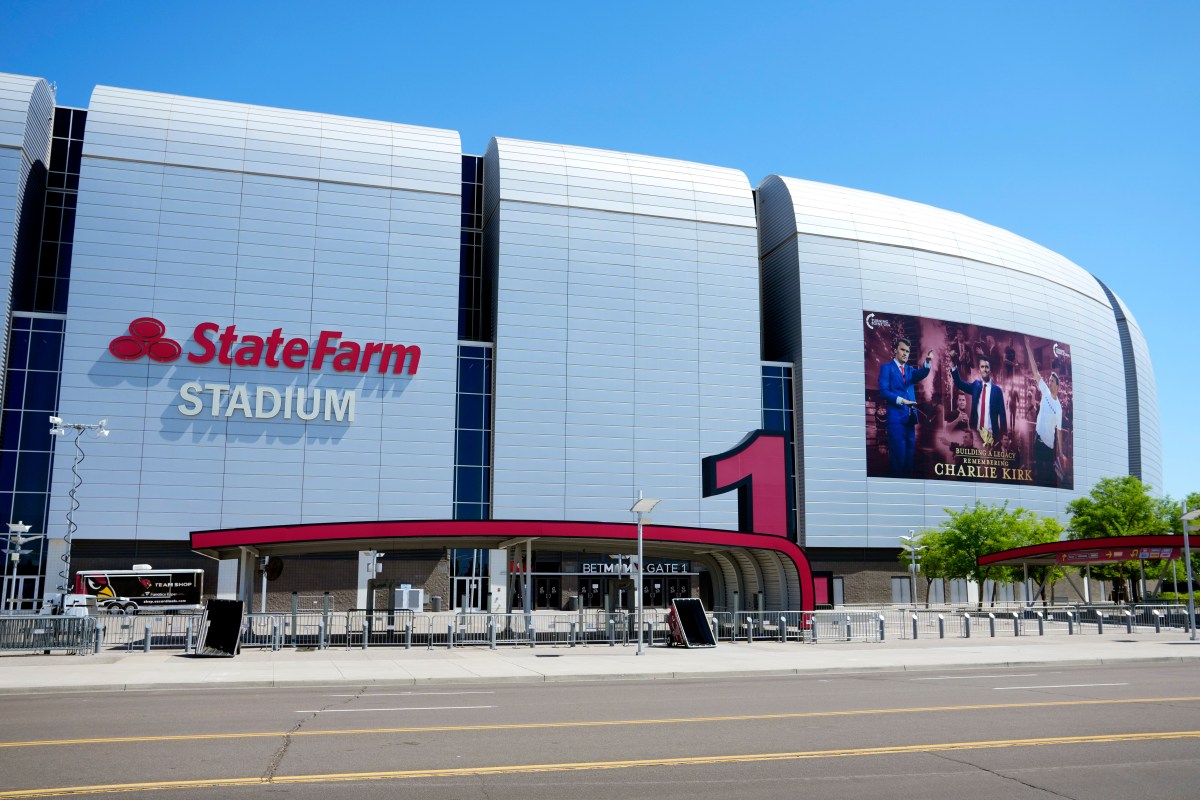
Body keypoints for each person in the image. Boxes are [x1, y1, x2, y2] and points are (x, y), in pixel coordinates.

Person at [877, 337, 933, 476]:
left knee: (909, 459)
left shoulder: (910, 370)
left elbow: (923, 373)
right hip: (896, 420)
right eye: (902, 350)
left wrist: (927, 361)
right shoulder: (886, 368)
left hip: (910, 419)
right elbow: (883, 392)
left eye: (907, 351)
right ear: (895, 350)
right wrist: (902, 401)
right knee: (898, 459)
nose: (905, 353)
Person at [1025, 335, 1064, 486]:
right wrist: (1028, 348)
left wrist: (1061, 453)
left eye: (1052, 381)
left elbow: (1059, 431)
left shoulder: (1059, 407)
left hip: (1049, 447)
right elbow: (1035, 372)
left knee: (1048, 480)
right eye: (1049, 381)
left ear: (1058, 386)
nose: (1049, 382)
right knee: (1037, 477)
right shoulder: (1045, 392)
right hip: (1038, 441)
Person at [951, 353, 1006, 447]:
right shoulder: (975, 385)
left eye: (986, 367)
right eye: (982, 367)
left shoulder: (997, 391)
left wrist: (1002, 436)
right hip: (975, 435)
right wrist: (953, 367)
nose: (984, 369)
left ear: (990, 370)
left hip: (991, 436)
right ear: (979, 370)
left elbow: (1002, 415)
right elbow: (959, 383)